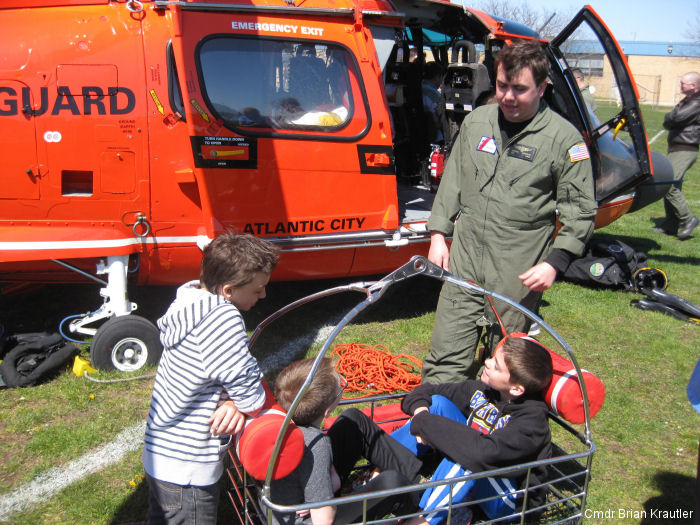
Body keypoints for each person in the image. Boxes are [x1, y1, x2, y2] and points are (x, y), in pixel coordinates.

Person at [423, 39, 596, 383]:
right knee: (447, 346)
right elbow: (453, 180)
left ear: (542, 89)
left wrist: (554, 262)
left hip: (519, 261)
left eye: (520, 89)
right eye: (502, 86)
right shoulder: (477, 123)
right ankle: (434, 411)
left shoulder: (565, 141)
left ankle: (498, 419)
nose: (508, 97)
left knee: (506, 358)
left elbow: (581, 210)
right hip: (467, 253)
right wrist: (438, 235)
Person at [142, 231, 279, 524]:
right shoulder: (221, 319)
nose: (263, 295)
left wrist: (229, 400)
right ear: (228, 290)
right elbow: (249, 393)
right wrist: (237, 401)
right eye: (257, 290)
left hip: (162, 452)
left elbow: (220, 370)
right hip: (187, 466)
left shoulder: (190, 301)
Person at [391, 336, 554, 525]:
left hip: (508, 500)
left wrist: (426, 425)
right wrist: (421, 412)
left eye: (496, 366)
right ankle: (379, 474)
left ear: (517, 389)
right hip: (478, 468)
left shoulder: (532, 421)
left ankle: (422, 521)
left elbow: (483, 454)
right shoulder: (483, 391)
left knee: (468, 457)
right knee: (437, 403)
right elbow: (425, 391)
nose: (486, 362)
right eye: (492, 357)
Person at [271, 357, 418, 525]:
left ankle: (415, 476)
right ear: (327, 411)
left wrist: (330, 481)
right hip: (311, 520)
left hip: (297, 497)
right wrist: (318, 497)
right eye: (340, 389)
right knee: (393, 483)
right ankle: (423, 512)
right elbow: (323, 521)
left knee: (352, 419)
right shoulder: (316, 444)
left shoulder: (282, 421)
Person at [652, 71, 700, 240]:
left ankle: (689, 219)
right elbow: (668, 121)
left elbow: (676, 118)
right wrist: (671, 118)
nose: (680, 86)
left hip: (686, 149)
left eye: (683, 83)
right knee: (671, 183)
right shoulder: (687, 101)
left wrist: (671, 117)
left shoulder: (696, 102)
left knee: (669, 184)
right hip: (677, 148)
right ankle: (671, 225)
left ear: (693, 86)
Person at [422, 61, 445, 144]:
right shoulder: (435, 95)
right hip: (435, 137)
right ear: (436, 77)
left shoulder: (416, 90)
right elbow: (441, 118)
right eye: (441, 77)